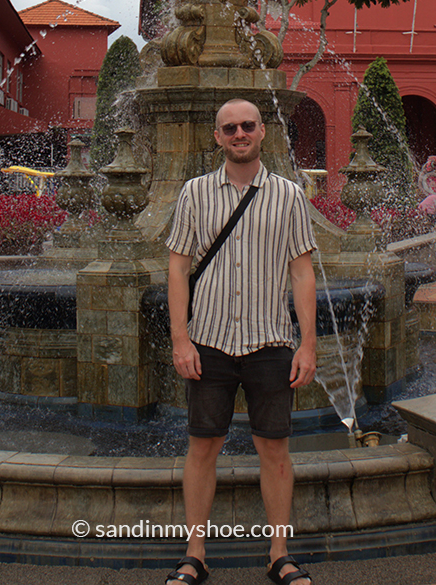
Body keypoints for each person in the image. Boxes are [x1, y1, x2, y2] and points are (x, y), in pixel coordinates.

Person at [165, 98, 316, 585]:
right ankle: (195, 554)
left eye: (247, 125)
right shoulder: (194, 193)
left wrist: (308, 344)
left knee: (274, 449)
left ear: (262, 131)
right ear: (217, 137)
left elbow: (302, 271)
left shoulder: (290, 195)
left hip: (270, 341)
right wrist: (180, 339)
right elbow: (178, 266)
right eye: (229, 128)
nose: (239, 133)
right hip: (208, 340)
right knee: (202, 447)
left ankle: (279, 554)